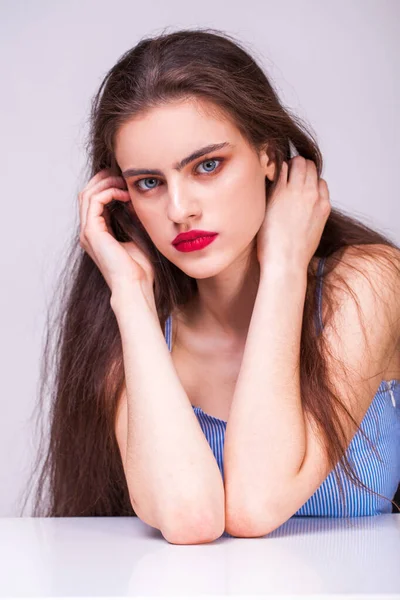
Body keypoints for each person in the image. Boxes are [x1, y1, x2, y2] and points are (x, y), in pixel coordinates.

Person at [20, 28, 400, 544]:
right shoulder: (139, 330)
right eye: (149, 183)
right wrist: (128, 294)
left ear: (269, 157)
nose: (179, 210)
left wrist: (286, 264)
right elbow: (190, 519)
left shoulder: (369, 284)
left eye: (207, 165)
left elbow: (255, 503)